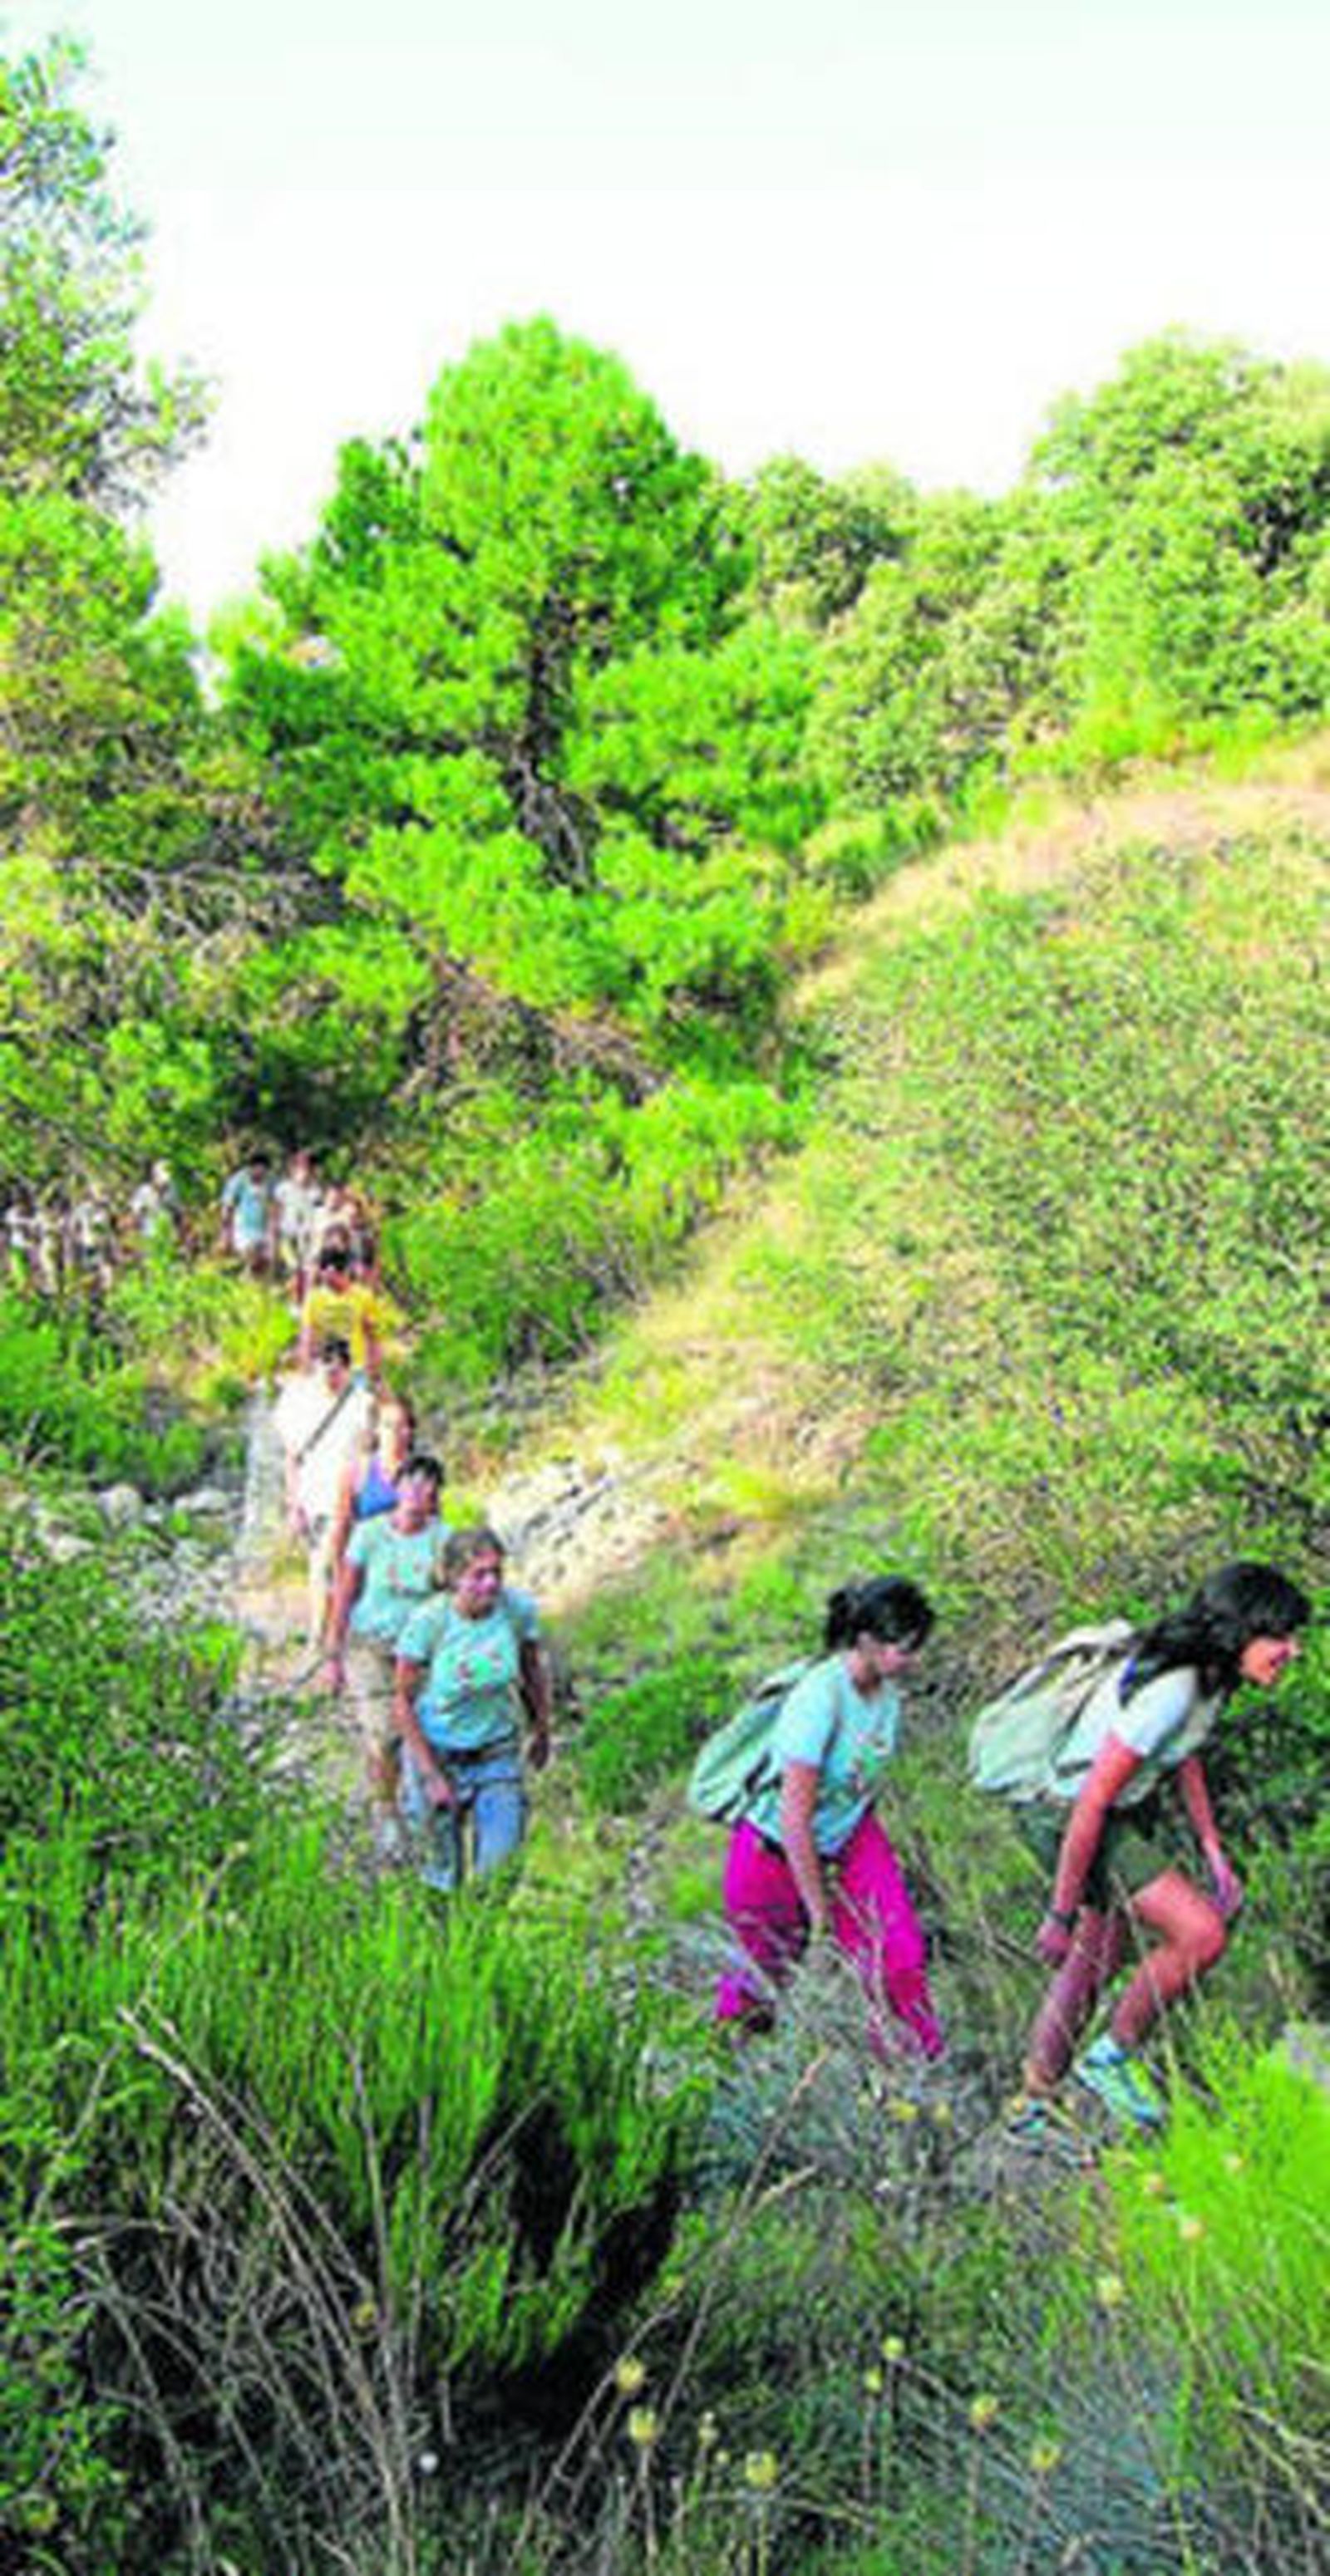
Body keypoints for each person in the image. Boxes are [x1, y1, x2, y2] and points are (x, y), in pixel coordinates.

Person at [1017, 1560, 1311, 2132]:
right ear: (1240, 1632)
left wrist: (1213, 1852)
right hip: (1070, 1817)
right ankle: (1111, 2059)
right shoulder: (1172, 1690)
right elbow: (1091, 1801)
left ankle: (1034, 2106)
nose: (1291, 1650)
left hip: (1103, 1813)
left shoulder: (1210, 1680)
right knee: (1202, 1934)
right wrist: (1060, 1909)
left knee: (1093, 1962)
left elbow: (1186, 1756)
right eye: (1279, 1636)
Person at [714, 1576, 943, 2061]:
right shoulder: (820, 1698)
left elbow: (863, 1781)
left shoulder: (888, 1697)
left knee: (897, 1952)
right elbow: (795, 1817)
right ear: (869, 1643)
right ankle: (725, 2067)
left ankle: (918, 2064)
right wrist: (821, 1914)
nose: (915, 1660)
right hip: (776, 1850)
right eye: (906, 1649)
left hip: (850, 1835)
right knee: (761, 1983)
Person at [394, 1526, 551, 1894]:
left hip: (496, 1751)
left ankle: (484, 1937)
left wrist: (542, 1728)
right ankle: (441, 1944)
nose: (490, 1584)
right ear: (453, 1578)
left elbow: (532, 1670)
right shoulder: (429, 1622)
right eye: (478, 1575)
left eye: (496, 1572)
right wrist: (430, 1774)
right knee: (439, 1877)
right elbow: (401, 1700)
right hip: (437, 1751)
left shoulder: (516, 1611)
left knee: (499, 1870)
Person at [323, 1453, 448, 1858]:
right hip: (370, 1646)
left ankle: (422, 1812)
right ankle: (386, 1811)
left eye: (427, 1485)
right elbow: (345, 1589)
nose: (417, 1492)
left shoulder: (444, 1539)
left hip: (420, 1652)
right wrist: (332, 1653)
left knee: (423, 1732)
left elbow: (454, 1595)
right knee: (383, 1732)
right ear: (395, 1489)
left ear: (435, 1497)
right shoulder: (370, 1534)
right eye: (410, 1483)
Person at [273, 1336, 375, 1652]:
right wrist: (294, 1504)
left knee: (337, 1561)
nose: (331, 1374)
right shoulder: (299, 1401)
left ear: (347, 1368)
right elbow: (292, 1457)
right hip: (313, 1493)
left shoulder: (361, 1402)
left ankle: (331, 1631)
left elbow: (368, 1449)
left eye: (338, 1367)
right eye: (325, 1366)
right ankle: (323, 1631)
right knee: (321, 1563)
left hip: (347, 1494)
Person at [327, 1392, 419, 1574]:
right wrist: (339, 1575)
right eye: (388, 1426)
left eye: (402, 1426)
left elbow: (434, 1526)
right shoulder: (357, 1472)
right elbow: (341, 1529)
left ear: (410, 1430)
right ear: (376, 1429)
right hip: (367, 1570)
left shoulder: (421, 1472)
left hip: (410, 1571)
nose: (395, 1433)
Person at [297, 1240, 385, 1384]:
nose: (329, 1276)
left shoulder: (363, 1296)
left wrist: (375, 1369)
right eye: (324, 1269)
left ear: (345, 1270)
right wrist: (306, 1364)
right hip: (327, 1369)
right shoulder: (313, 1299)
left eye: (335, 1271)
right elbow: (307, 1334)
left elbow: (373, 1334)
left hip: (356, 1369)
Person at [273, 1149, 322, 1301]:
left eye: (307, 1168)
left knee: (307, 1271)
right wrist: (273, 1233)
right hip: (288, 1234)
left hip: (308, 1236)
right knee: (294, 1269)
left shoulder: (316, 1191)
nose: (304, 1171)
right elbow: (276, 1211)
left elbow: (319, 1214)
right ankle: (293, 1301)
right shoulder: (283, 1189)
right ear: (293, 1169)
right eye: (300, 1167)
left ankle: (305, 1304)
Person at [219, 1151, 275, 1275]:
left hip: (261, 1229)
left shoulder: (270, 1182)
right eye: (259, 1170)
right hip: (242, 1229)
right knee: (251, 1256)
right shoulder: (239, 1181)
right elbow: (227, 1206)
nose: (261, 1175)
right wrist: (225, 1233)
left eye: (264, 1171)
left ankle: (253, 1287)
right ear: (252, 1168)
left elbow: (273, 1207)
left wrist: (272, 1233)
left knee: (262, 1263)